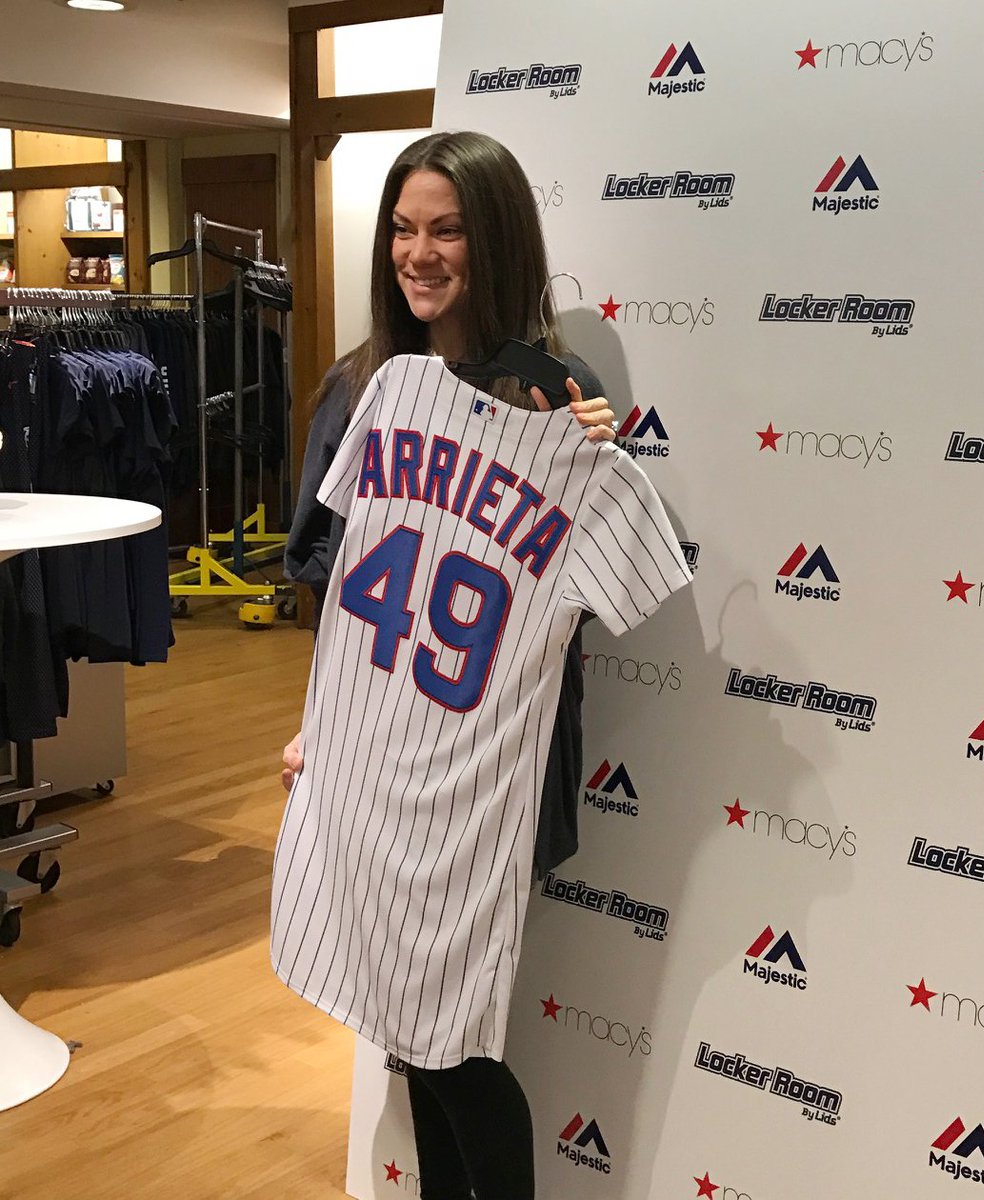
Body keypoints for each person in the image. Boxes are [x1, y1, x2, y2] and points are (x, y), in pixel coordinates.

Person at [277, 131, 621, 1200]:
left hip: (485, 770)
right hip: (377, 756)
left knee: (452, 1037)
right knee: (404, 1023)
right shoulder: (364, 385)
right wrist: (315, 727)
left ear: (497, 239)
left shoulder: (558, 402)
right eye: (403, 230)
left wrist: (592, 460)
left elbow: (591, 598)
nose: (417, 254)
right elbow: (331, 589)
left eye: (447, 230)